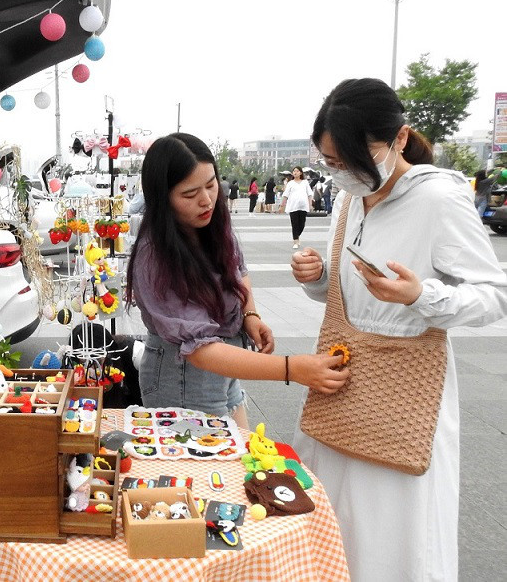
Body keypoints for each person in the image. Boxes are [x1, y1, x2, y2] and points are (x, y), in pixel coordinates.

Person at [290, 78, 507, 582]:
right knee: (334, 524)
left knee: (394, 537)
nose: (341, 173)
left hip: (405, 397)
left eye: (351, 158)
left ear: (400, 139)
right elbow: (349, 291)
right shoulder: (348, 199)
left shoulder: (437, 200)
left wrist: (421, 296)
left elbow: (495, 294)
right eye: (330, 162)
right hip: (341, 388)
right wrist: (320, 278)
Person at [125, 133, 348, 429]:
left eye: (211, 185)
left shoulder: (212, 221)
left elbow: (237, 270)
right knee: (204, 469)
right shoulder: (153, 254)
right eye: (190, 194)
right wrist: (291, 369)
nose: (206, 200)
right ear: (161, 198)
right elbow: (200, 350)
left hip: (224, 366)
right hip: (181, 378)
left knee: (240, 457)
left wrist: (249, 313)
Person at [278, 166, 313, 248]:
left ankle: (297, 236)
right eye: (294, 171)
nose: (295, 172)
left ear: (300, 173)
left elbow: (310, 194)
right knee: (294, 224)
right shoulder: (290, 183)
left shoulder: (305, 183)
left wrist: (310, 204)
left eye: (297, 171)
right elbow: (285, 195)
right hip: (293, 207)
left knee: (302, 224)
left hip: (303, 206)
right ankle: (296, 241)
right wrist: (281, 206)